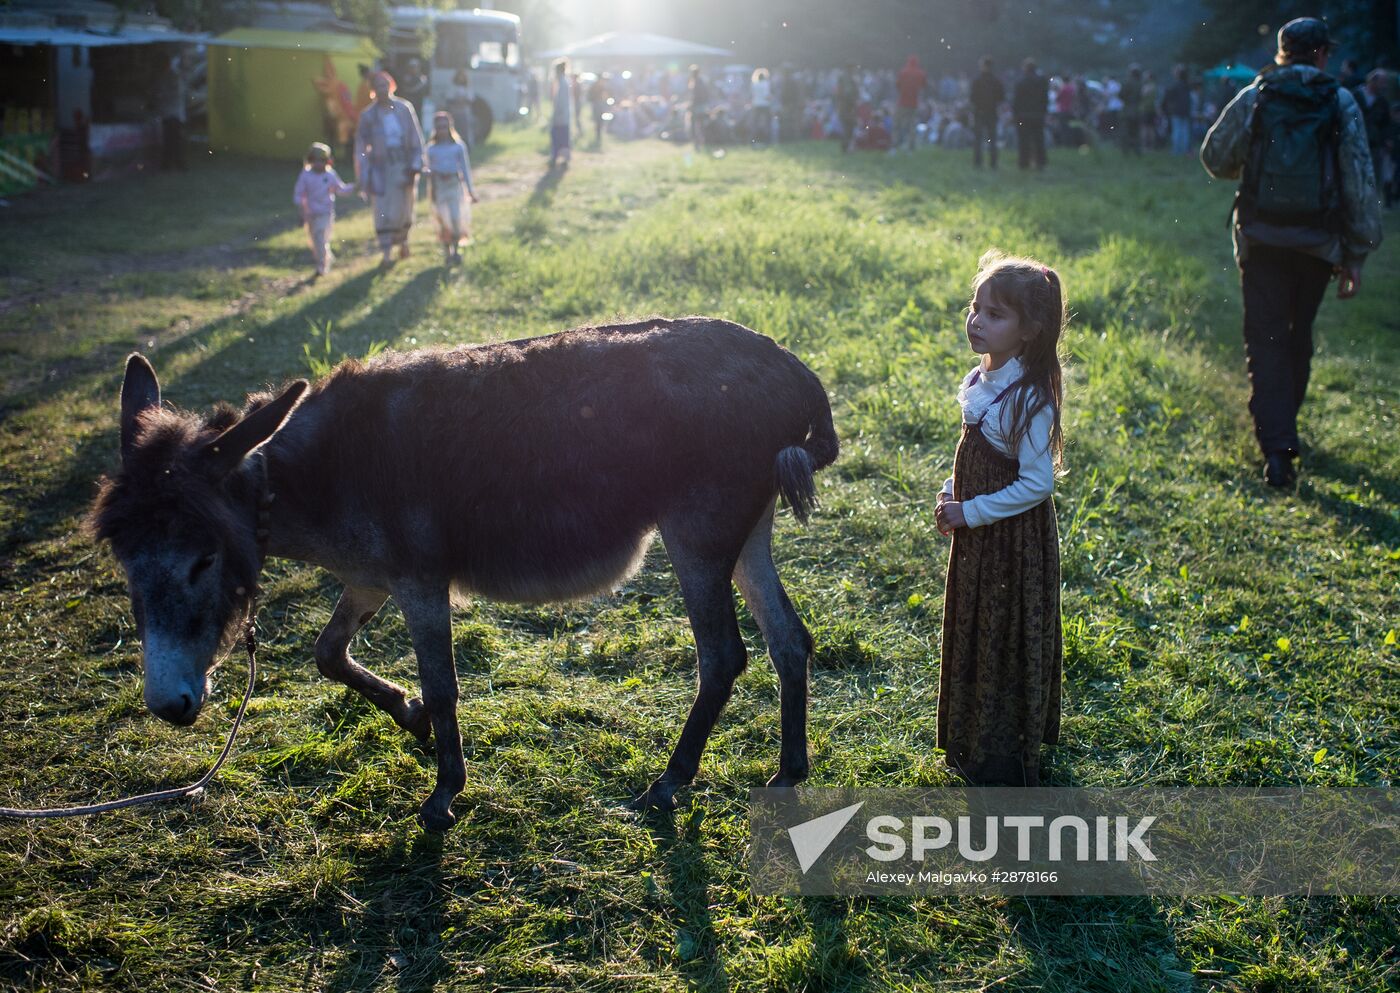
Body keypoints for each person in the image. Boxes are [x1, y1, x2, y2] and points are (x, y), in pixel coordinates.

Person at [1201, 16, 1383, 486]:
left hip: (1261, 239)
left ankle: (1277, 449)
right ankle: (1285, 429)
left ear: (1281, 51)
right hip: (1318, 244)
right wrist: (1357, 253)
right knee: (1298, 334)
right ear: (1323, 54)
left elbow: (1215, 157)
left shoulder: (1257, 94)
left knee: (1265, 341)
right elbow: (1359, 178)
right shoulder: (1340, 101)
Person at [935, 251, 1065, 787]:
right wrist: (951, 491)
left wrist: (973, 511)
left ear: (1030, 330)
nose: (977, 321)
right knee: (973, 624)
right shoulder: (979, 379)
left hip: (1013, 542)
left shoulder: (1030, 398)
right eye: (976, 308)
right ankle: (969, 732)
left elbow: (1037, 483)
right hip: (977, 536)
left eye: (995, 314)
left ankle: (1003, 749)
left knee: (1006, 631)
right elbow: (970, 454)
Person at [355, 71, 426, 267]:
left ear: (391, 86)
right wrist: (363, 171)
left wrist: (416, 164)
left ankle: (403, 242)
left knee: (404, 207)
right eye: (377, 86)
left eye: (385, 85)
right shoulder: (368, 115)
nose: (382, 89)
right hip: (380, 169)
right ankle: (386, 252)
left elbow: (415, 137)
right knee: (383, 209)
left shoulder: (404, 108)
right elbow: (361, 146)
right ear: (373, 90)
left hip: (402, 165)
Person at [293, 142, 355, 279]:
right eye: (316, 161)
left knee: (321, 237)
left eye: (323, 161)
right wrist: (301, 211)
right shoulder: (306, 176)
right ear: (310, 161)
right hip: (311, 215)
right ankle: (324, 259)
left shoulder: (330, 175)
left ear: (328, 161)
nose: (320, 164)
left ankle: (321, 266)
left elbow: (340, 189)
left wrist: (355, 187)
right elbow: (299, 194)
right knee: (316, 241)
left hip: (326, 213)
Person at [426, 111, 478, 266]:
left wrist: (470, 190)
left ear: (450, 126)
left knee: (455, 218)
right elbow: (429, 171)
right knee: (442, 219)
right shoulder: (431, 149)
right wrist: (432, 189)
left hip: (454, 184)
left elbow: (465, 169)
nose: (442, 129)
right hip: (438, 185)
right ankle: (447, 252)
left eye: (444, 126)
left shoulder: (458, 147)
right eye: (439, 126)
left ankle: (456, 250)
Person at [1013, 58, 1047, 170]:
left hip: (1023, 115)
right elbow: (1045, 98)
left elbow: (1016, 100)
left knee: (1024, 140)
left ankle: (1024, 162)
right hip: (1038, 114)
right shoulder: (1042, 81)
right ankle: (1040, 161)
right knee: (1039, 139)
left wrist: (1015, 114)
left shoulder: (1020, 82)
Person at [970, 56, 1004, 168]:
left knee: (978, 139)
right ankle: (993, 162)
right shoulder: (996, 81)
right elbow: (1001, 97)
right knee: (992, 139)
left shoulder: (977, 81)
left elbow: (972, 98)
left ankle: (977, 162)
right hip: (992, 112)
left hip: (979, 112)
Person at [893, 55, 926, 153]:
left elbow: (897, 85)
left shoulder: (903, 72)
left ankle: (895, 145)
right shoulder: (921, 73)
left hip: (902, 102)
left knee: (897, 124)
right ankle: (910, 147)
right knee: (912, 125)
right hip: (914, 103)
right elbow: (924, 86)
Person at [1162, 65, 1193, 155]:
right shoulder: (1187, 85)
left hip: (1177, 111)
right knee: (1185, 131)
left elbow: (1168, 95)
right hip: (1186, 110)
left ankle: (1177, 150)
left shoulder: (1175, 85)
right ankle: (1185, 150)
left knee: (1177, 130)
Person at [549, 59, 574, 168]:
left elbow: (561, 102)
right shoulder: (562, 82)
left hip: (561, 116)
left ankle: (559, 157)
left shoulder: (563, 83)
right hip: (562, 116)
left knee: (560, 136)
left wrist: (557, 114)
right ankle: (558, 157)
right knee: (560, 136)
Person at [1119, 65, 1143, 155]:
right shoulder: (1141, 83)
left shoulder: (1127, 83)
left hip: (1127, 110)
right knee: (1136, 132)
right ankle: (1137, 151)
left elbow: (1121, 95)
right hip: (1138, 110)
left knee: (1125, 132)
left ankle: (1125, 151)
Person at [836, 65, 860, 153]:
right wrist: (853, 103)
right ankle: (846, 147)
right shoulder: (848, 79)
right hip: (848, 106)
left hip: (844, 105)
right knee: (848, 127)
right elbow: (848, 93)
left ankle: (846, 147)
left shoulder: (844, 78)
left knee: (847, 126)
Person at [688, 65, 710, 150]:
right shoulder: (701, 81)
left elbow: (696, 96)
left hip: (697, 106)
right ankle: (700, 142)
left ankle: (697, 143)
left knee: (695, 126)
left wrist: (691, 104)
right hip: (701, 106)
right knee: (700, 125)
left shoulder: (696, 82)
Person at [750, 68, 773, 144]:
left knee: (755, 123)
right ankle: (767, 139)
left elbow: (752, 95)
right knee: (767, 123)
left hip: (756, 105)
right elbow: (766, 95)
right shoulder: (766, 84)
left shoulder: (754, 84)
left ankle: (754, 139)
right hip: (765, 105)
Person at [587, 73, 610, 145]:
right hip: (597, 104)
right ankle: (598, 135)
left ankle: (598, 134)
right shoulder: (598, 85)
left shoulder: (597, 85)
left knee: (599, 121)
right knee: (598, 120)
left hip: (598, 104)